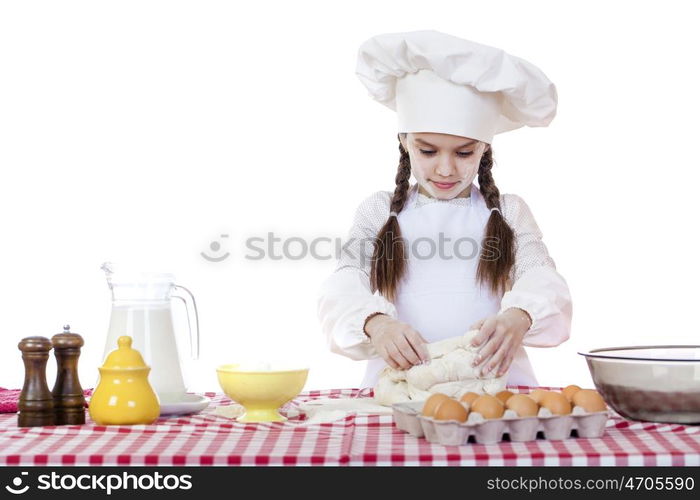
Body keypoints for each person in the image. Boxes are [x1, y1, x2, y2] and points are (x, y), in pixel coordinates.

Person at [317, 30, 572, 389]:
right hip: (400, 387)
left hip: (497, 389)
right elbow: (342, 284)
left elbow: (541, 278)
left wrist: (520, 315)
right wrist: (376, 323)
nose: (446, 169)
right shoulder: (379, 212)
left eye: (464, 152)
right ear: (405, 142)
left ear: (484, 148)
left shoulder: (509, 212)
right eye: (428, 151)